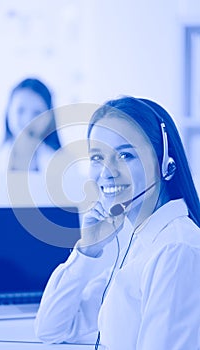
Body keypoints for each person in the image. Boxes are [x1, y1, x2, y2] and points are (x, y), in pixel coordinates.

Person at [35, 96, 200, 349]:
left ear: (165, 162)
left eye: (125, 155)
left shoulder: (175, 251)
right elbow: (51, 327)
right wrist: (88, 250)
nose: (107, 171)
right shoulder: (137, 244)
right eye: (97, 158)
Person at [0, 77, 61, 171]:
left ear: (49, 119)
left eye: (37, 113)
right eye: (20, 110)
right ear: (8, 111)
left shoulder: (65, 167)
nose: (28, 120)